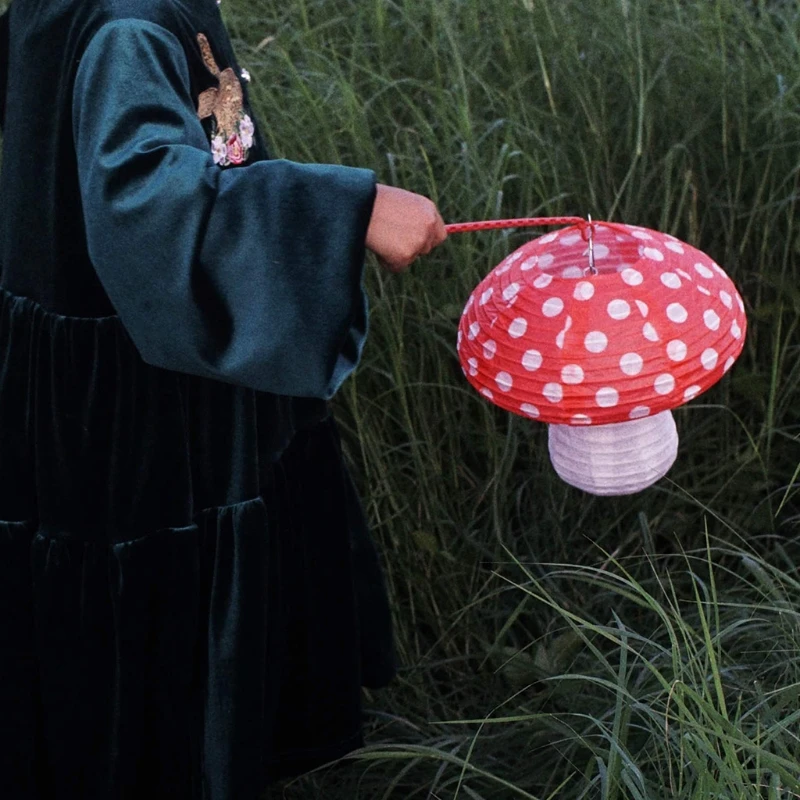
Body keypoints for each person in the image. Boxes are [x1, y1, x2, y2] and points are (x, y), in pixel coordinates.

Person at [0, 0, 447, 797]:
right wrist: (350, 210)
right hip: (147, 404)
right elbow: (148, 210)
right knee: (154, 651)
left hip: (118, 367)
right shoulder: (126, 24)